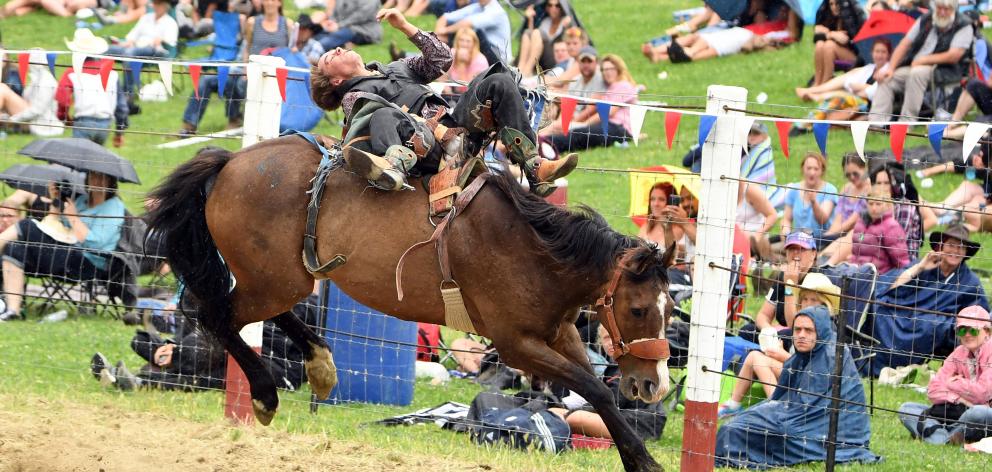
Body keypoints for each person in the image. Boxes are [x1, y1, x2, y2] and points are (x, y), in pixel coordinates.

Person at [310, 8, 577, 196]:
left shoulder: (397, 67)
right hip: (423, 148)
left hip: (456, 130)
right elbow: (371, 116)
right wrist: (433, 130)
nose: (336, 49)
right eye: (329, 59)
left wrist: (405, 26)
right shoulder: (353, 97)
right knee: (381, 114)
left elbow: (441, 60)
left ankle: (535, 169)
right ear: (335, 81)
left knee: (498, 78)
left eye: (333, 51)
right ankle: (392, 168)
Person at [715, 305, 880, 468]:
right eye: (797, 329)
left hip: (829, 434)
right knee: (740, 424)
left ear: (821, 332)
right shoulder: (807, 353)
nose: (801, 335)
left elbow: (805, 410)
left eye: (808, 330)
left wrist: (772, 414)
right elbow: (788, 397)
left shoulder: (830, 355)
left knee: (742, 429)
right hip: (805, 420)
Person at [91, 289, 320, 391]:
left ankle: (144, 380)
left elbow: (303, 357)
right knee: (143, 341)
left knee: (216, 374)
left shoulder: (313, 305)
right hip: (234, 345)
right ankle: (170, 356)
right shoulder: (260, 290)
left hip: (275, 364)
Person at [0, 171, 125, 321]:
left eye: (102, 177)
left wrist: (73, 218)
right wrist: (55, 201)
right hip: (65, 253)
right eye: (93, 176)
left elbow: (97, 243)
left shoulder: (113, 207)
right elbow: (56, 225)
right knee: (14, 248)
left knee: (26, 225)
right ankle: (13, 312)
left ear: (111, 182)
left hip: (87, 263)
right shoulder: (81, 201)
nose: (97, 181)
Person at [717, 274, 840, 418]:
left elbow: (815, 367)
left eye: (813, 300)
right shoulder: (803, 322)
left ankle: (776, 407)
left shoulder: (825, 329)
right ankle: (733, 404)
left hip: (812, 383)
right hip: (796, 373)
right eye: (804, 299)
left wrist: (783, 356)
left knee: (759, 361)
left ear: (825, 304)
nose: (807, 304)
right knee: (754, 355)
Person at [872, 224, 990, 374]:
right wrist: (920, 267)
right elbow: (891, 290)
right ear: (941, 246)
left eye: (961, 247)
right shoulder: (926, 265)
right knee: (880, 308)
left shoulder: (970, 282)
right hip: (906, 315)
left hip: (935, 326)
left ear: (966, 252)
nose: (955, 251)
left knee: (931, 325)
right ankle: (877, 365)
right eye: (951, 245)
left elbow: (980, 316)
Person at [180, 0, 294, 136]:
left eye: (273, 0)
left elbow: (291, 53)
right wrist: (246, 69)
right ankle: (189, 125)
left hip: (275, 76)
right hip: (250, 69)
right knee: (208, 80)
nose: (269, 3)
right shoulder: (252, 22)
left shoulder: (287, 24)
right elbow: (247, 47)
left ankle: (236, 118)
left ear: (279, 3)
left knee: (237, 82)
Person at [548, 324, 667, 441]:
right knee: (554, 412)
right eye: (606, 338)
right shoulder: (612, 367)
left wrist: (573, 412)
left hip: (642, 420)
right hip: (620, 416)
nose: (611, 342)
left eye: (615, 338)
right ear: (601, 342)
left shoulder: (630, 365)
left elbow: (612, 401)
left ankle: (555, 426)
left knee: (575, 418)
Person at [897, 305, 992, 445]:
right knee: (906, 409)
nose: (967, 334)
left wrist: (953, 383)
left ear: (987, 332)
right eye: (962, 330)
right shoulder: (959, 352)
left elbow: (982, 394)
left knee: (978, 413)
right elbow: (933, 390)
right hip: (956, 415)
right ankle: (950, 438)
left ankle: (938, 435)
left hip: (981, 415)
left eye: (973, 329)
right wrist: (959, 399)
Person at [867, 0, 973, 122]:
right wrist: (890, 68)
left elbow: (954, 55)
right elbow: (905, 44)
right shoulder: (926, 19)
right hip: (915, 65)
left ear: (954, 9)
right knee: (886, 78)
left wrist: (924, 60)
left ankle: (906, 123)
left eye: (947, 9)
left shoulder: (964, 25)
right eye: (939, 8)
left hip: (946, 70)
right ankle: (876, 123)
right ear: (935, 6)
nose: (942, 12)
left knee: (917, 73)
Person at [106, 0, 179, 146]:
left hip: (155, 51)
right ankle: (105, 87)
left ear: (166, 6)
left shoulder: (170, 23)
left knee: (130, 55)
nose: (157, 7)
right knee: (106, 49)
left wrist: (160, 40)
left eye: (160, 4)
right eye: (155, 4)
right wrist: (127, 42)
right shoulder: (145, 18)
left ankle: (128, 95)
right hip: (134, 48)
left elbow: (171, 44)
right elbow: (132, 36)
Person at [791, 39, 893, 136]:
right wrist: (858, 88)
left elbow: (875, 92)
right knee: (834, 100)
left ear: (888, 55)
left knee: (838, 99)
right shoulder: (869, 68)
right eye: (877, 51)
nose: (879, 55)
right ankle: (807, 123)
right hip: (856, 98)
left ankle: (805, 124)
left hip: (868, 105)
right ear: (872, 53)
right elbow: (848, 82)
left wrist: (860, 87)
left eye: (883, 52)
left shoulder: (889, 71)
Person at [738, 231, 820, 348]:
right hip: (781, 334)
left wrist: (790, 284)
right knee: (747, 331)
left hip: (803, 337)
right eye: (791, 249)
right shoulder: (782, 276)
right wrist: (769, 331)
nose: (795, 252)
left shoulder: (817, 279)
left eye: (801, 249)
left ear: (813, 254)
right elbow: (763, 315)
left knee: (786, 335)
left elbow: (794, 325)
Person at [548, 54, 638, 152]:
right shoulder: (610, 87)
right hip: (610, 126)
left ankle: (547, 145)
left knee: (580, 134)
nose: (607, 73)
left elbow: (609, 111)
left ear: (618, 69)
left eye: (610, 69)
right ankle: (545, 143)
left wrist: (585, 124)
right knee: (577, 133)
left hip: (619, 128)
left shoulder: (622, 85)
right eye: (604, 70)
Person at [56, 29, 122, 145]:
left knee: (79, 160)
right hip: (105, 124)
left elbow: (62, 99)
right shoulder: (111, 73)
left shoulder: (72, 72)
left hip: (83, 122)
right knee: (95, 159)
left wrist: (64, 117)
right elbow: (121, 105)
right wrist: (119, 132)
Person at [847, 185, 910, 274]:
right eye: (871, 203)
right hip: (856, 274)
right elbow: (855, 254)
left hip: (880, 278)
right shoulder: (860, 224)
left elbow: (901, 261)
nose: (874, 208)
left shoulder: (891, 227)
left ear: (887, 205)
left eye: (878, 204)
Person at [3, 50, 63, 137]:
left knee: (2, 89)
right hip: (31, 118)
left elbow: (37, 110)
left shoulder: (45, 81)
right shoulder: (37, 79)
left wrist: (12, 120)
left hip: (42, 124)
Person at [782, 152, 837, 243]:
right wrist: (786, 232)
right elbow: (786, 219)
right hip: (797, 240)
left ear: (822, 171)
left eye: (816, 169)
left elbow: (823, 219)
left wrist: (813, 202)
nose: (812, 172)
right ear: (802, 169)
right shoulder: (794, 190)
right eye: (809, 168)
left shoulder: (829, 190)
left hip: (822, 241)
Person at [435, 0, 511, 65]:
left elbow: (468, 24)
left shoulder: (497, 11)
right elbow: (445, 17)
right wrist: (438, 34)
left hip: (498, 59)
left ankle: (445, 61)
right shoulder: (478, 6)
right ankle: (439, 61)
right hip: (483, 51)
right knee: (451, 33)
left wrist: (445, 30)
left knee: (473, 32)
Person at [810, 0, 864, 86]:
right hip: (833, 56)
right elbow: (817, 37)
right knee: (820, 45)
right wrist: (831, 34)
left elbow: (848, 40)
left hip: (856, 59)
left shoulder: (851, 15)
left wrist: (829, 34)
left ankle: (825, 83)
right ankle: (817, 82)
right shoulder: (827, 16)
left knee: (829, 45)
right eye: (831, 4)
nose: (834, 7)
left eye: (837, 3)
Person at [516, 0, 572, 77]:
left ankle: (527, 71)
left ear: (562, 8)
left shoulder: (566, 21)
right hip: (540, 57)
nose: (553, 8)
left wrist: (566, 28)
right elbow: (532, 38)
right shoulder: (546, 21)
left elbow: (570, 41)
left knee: (536, 32)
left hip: (555, 58)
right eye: (550, 5)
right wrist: (530, 19)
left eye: (557, 6)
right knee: (527, 33)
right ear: (547, 7)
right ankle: (520, 68)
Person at [310, 0, 382, 51]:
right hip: (341, 27)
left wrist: (339, 25)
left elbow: (362, 15)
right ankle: (308, 46)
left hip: (363, 31)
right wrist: (332, 22)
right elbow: (336, 12)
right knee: (319, 32)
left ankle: (316, 49)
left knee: (339, 35)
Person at [442, 27, 488, 95]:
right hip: (452, 94)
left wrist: (462, 63)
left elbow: (465, 88)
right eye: (461, 40)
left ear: (474, 43)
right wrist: (445, 88)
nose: (464, 44)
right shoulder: (452, 53)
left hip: (472, 95)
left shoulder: (480, 60)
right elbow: (443, 77)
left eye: (468, 41)